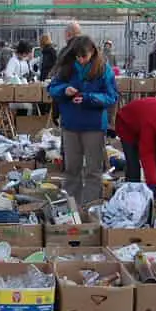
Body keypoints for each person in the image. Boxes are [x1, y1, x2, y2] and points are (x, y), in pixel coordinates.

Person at [48, 36, 118, 206]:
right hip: (70, 126)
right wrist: (65, 90)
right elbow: (51, 88)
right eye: (78, 56)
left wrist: (88, 98)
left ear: (92, 52)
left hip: (94, 126)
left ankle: (91, 207)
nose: (80, 59)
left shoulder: (104, 69)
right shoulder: (67, 68)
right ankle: (72, 206)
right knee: (72, 169)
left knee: (93, 170)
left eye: (84, 56)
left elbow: (112, 97)